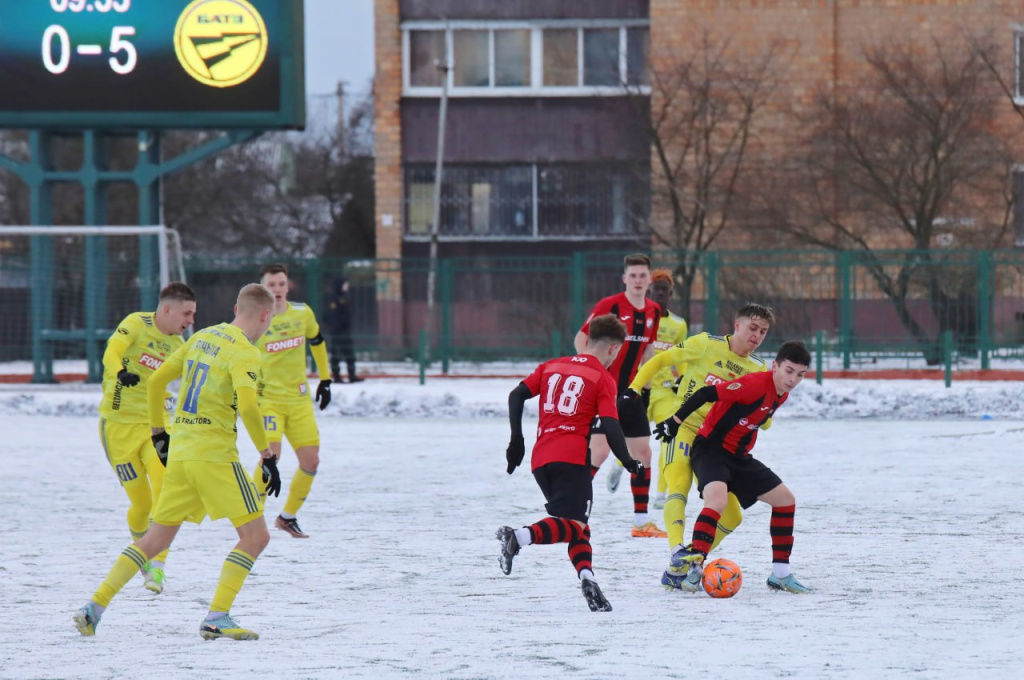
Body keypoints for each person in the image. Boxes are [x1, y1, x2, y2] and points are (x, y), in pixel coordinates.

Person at [75, 283, 283, 640]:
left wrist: (159, 435)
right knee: (255, 536)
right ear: (265, 315)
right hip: (215, 456)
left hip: (181, 454)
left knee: (154, 540)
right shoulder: (246, 353)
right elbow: (249, 407)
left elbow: (156, 383)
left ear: (235, 308)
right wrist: (267, 455)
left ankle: (94, 607)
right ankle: (217, 617)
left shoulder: (201, 337)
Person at [498, 314, 643, 612]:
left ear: (586, 341)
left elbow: (517, 395)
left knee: (577, 525)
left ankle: (588, 578)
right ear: (614, 349)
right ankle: (519, 537)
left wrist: (517, 441)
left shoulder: (552, 366)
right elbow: (612, 426)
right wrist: (627, 460)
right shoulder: (603, 378)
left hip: (541, 461)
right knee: (574, 524)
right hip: (572, 459)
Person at [628, 303, 775, 591]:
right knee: (678, 484)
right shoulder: (705, 344)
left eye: (764, 332)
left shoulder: (758, 368)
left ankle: (694, 560)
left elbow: (764, 419)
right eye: (753, 328)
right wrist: (634, 390)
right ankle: (676, 556)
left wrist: (763, 413)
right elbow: (660, 361)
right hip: (682, 427)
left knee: (733, 515)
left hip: (714, 444)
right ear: (737, 325)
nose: (757, 336)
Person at [656, 340, 812, 594]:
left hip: (739, 457)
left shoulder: (782, 393)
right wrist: (675, 421)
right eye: (789, 371)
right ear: (775, 366)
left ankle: (780, 575)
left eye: (800, 374)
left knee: (785, 500)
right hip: (710, 450)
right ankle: (693, 570)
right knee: (716, 501)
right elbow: (706, 394)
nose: (793, 379)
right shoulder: (753, 384)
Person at [96, 282, 197, 595]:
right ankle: (143, 551)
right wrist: (119, 372)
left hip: (155, 427)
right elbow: (112, 352)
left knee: (165, 486)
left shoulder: (178, 343)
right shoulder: (135, 323)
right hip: (118, 427)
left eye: (193, 314)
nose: (191, 320)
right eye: (187, 313)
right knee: (141, 502)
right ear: (166, 309)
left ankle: (158, 564)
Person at [573, 253, 665, 538]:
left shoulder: (653, 311)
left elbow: (648, 349)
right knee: (599, 452)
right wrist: (593, 372)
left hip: (633, 393)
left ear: (650, 280)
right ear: (625, 278)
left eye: (643, 276)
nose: (638, 281)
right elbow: (581, 339)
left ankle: (641, 522)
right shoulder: (610, 306)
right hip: (604, 391)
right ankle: (572, 512)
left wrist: (647, 381)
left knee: (643, 454)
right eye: (633, 275)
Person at [252, 264, 333, 538]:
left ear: (288, 286)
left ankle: (287, 517)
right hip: (268, 400)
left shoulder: (302, 312)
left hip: (298, 400)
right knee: (271, 457)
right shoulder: (257, 318)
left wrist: (325, 379)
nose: (276, 289)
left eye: (281, 284)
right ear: (262, 288)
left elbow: (317, 340)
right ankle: (251, 515)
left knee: (311, 461)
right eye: (271, 285)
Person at [644, 270, 688, 510]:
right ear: (649, 291)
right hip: (640, 388)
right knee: (633, 439)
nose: (660, 293)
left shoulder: (678, 324)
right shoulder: (641, 318)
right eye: (656, 288)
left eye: (664, 289)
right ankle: (620, 464)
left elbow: (681, 357)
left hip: (664, 390)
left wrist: (681, 378)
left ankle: (661, 493)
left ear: (670, 294)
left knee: (667, 440)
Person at [324, 273, 363, 384]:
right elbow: (332, 316)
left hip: (345, 331)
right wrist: (337, 328)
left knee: (349, 353)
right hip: (337, 332)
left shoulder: (345, 297)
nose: (347, 286)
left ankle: (352, 375)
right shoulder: (333, 298)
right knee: (336, 355)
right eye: (345, 284)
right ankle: (336, 377)